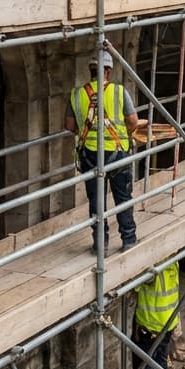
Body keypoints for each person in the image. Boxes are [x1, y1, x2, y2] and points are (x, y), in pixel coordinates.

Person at [64, 50, 144, 250]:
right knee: (123, 198)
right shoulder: (118, 91)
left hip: (89, 155)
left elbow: (70, 126)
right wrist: (128, 129)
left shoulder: (76, 94)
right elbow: (133, 122)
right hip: (117, 154)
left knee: (96, 202)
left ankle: (100, 244)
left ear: (91, 69)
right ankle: (128, 239)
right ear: (108, 70)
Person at [128, 259, 180, 369]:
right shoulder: (173, 264)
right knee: (160, 362)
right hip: (168, 324)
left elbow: (134, 284)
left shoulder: (152, 272)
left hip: (149, 326)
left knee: (143, 367)